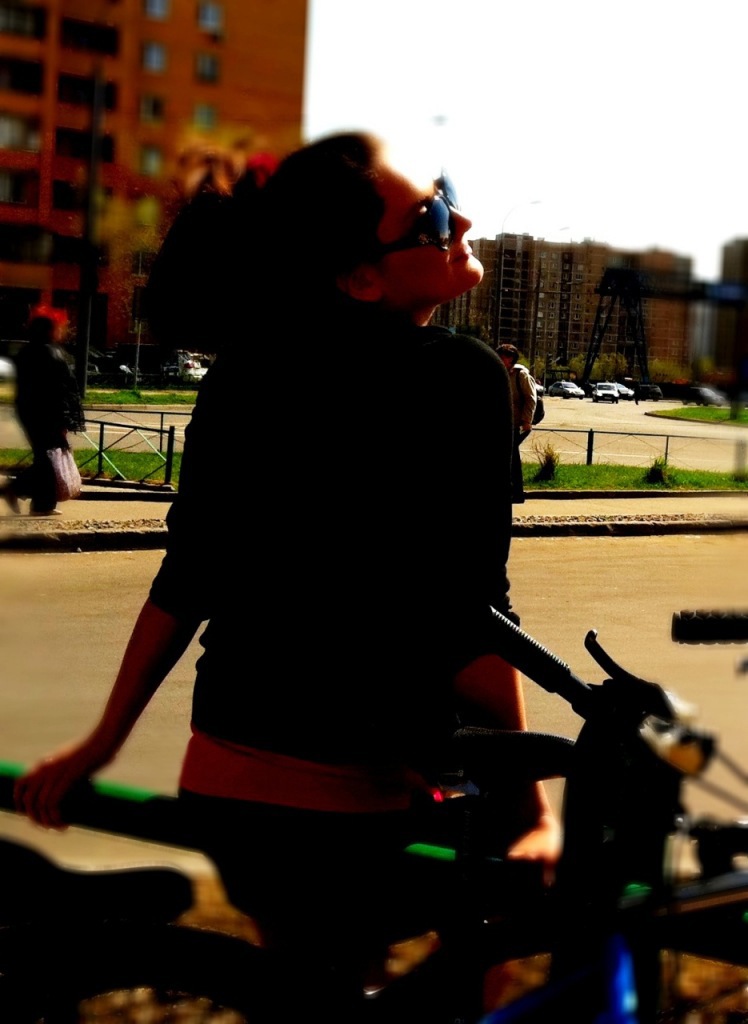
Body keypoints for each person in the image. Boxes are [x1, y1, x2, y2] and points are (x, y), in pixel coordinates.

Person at [15, 133, 559, 1008]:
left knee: (312, 993)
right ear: (361, 278)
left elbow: (187, 581)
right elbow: (471, 613)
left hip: (230, 799)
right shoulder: (463, 377)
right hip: (363, 818)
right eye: (430, 216)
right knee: (489, 963)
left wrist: (100, 744)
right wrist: (532, 813)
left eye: (446, 195)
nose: (459, 221)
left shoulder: (243, 373)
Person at [0, 310, 84, 517]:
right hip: (48, 415)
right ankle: (20, 491)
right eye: (59, 327)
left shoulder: (28, 351)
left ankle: (41, 503)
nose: (62, 331)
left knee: (47, 459)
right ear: (50, 330)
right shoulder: (51, 354)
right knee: (49, 461)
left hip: (30, 412)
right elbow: (61, 390)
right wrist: (65, 419)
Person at [497, 343, 537, 504]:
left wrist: (527, 420)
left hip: (516, 424)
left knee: (512, 458)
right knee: (505, 457)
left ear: (512, 360)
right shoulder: (498, 372)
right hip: (502, 422)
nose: (502, 360)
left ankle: (517, 493)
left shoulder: (521, 374)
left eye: (505, 358)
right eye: (500, 357)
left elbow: (531, 399)